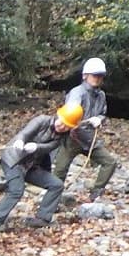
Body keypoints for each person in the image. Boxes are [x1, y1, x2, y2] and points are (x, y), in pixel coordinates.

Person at [0, 103, 83, 232]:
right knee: (16, 190)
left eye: (67, 126)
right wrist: (20, 141)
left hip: (31, 166)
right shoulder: (42, 120)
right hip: (13, 160)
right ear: (58, 115)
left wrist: (36, 147)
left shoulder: (62, 137)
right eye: (61, 122)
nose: (62, 127)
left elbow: (50, 147)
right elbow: (25, 133)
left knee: (56, 185)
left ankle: (43, 218)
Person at [52, 56, 118, 200]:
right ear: (85, 76)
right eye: (95, 75)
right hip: (72, 138)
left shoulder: (101, 95)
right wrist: (88, 121)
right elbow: (70, 117)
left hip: (90, 139)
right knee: (60, 170)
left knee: (110, 162)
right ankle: (52, 200)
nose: (98, 78)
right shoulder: (77, 93)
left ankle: (96, 192)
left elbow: (102, 113)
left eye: (100, 76)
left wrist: (99, 120)